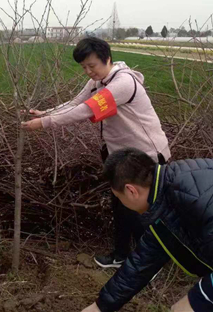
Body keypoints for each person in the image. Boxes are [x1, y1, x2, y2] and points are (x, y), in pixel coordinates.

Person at [21, 37, 170, 268]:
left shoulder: (122, 83)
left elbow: (86, 110)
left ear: (107, 58)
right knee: (120, 207)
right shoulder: (97, 82)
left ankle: (148, 264)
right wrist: (44, 113)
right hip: (121, 156)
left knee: (141, 212)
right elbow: (75, 102)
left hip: (145, 156)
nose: (89, 71)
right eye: (84, 67)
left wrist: (46, 123)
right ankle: (121, 256)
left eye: (92, 66)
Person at [82, 147, 213, 312]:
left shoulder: (200, 192)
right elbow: (142, 261)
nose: (121, 204)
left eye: (118, 197)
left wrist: (198, 298)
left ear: (131, 191)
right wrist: (100, 306)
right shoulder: (165, 199)